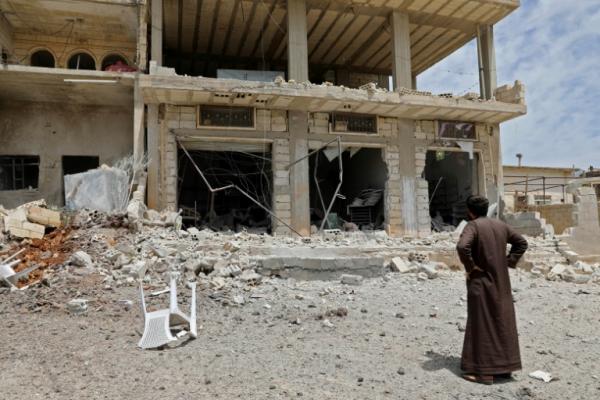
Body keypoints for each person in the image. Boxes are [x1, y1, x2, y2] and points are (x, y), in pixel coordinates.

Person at [456, 195, 528, 385]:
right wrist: (508, 261)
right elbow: (521, 243)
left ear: (470, 211)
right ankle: (504, 369)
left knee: (482, 323)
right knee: (501, 322)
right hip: (501, 282)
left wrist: (471, 267)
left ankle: (484, 374)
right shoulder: (500, 225)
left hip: (480, 282)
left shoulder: (473, 226)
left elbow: (462, 246)